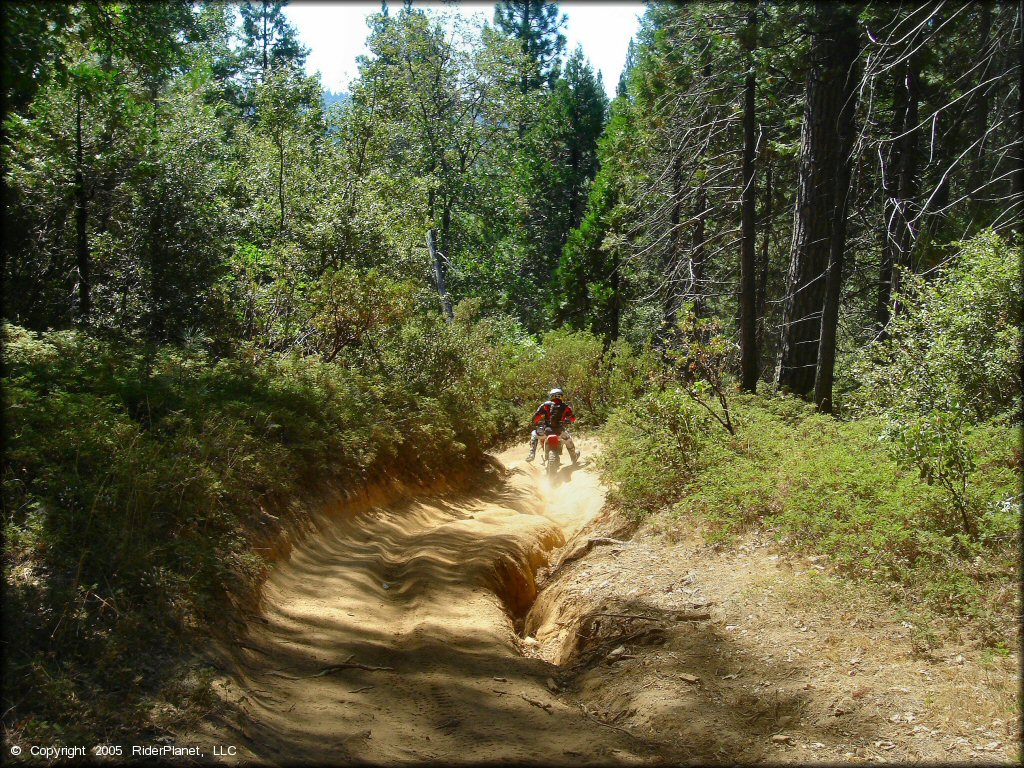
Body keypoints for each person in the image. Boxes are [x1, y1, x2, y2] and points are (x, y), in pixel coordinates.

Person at [526, 388, 579, 464]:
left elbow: (536, 418)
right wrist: (568, 421)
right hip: (560, 431)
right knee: (569, 440)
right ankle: (574, 458)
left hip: (547, 430)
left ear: (551, 396)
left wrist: (535, 422)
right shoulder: (566, 407)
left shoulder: (545, 405)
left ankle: (531, 454)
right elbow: (573, 419)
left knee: (534, 433)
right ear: (561, 396)